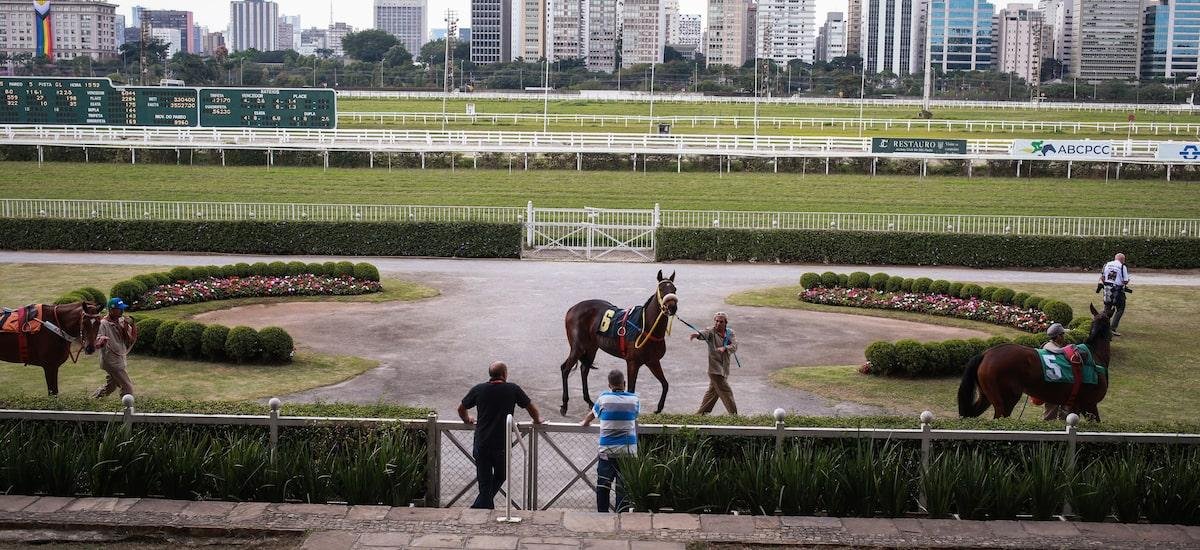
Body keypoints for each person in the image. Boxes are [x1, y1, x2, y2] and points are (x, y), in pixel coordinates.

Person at [457, 361, 543, 510]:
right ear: (504, 374)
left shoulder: (479, 389)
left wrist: (467, 419)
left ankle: (480, 508)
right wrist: (537, 420)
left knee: (484, 483)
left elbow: (461, 408)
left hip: (481, 443)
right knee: (501, 476)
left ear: (490, 375)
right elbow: (531, 408)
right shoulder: (512, 389)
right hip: (501, 445)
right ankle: (480, 509)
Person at [580, 369, 639, 513]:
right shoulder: (634, 400)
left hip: (607, 452)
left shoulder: (603, 399)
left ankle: (603, 515)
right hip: (628, 453)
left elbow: (591, 415)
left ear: (609, 385)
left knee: (603, 486)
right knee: (623, 488)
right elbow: (635, 415)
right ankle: (621, 517)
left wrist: (584, 422)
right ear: (624, 383)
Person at [690, 312, 738, 415]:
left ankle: (699, 415)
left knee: (711, 394)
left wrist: (725, 348)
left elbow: (734, 346)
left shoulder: (730, 333)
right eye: (716, 321)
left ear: (726, 323)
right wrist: (697, 335)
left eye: (721, 321)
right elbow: (704, 333)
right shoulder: (711, 331)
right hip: (715, 370)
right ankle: (734, 417)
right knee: (726, 392)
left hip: (724, 368)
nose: (718, 323)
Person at [91, 297, 138, 399]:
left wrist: (131, 325)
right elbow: (97, 340)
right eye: (119, 309)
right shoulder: (103, 324)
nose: (122, 311)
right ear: (111, 310)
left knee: (111, 386)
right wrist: (101, 340)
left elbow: (131, 338)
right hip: (111, 361)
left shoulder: (121, 320)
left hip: (119, 358)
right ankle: (127, 409)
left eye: (122, 308)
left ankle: (92, 400)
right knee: (127, 387)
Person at [1039, 323, 1070, 421]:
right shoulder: (1053, 348)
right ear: (1057, 337)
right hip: (1053, 385)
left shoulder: (1049, 345)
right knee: (1051, 413)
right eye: (1062, 334)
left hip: (1057, 384)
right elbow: (1060, 352)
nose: (1064, 337)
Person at [1099, 253, 1131, 336]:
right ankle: (1112, 328)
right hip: (1118, 291)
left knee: (1107, 308)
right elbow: (1125, 281)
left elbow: (1102, 278)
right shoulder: (1122, 266)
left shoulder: (1106, 264)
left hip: (1107, 290)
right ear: (1122, 259)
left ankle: (1101, 326)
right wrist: (1128, 280)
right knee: (1120, 308)